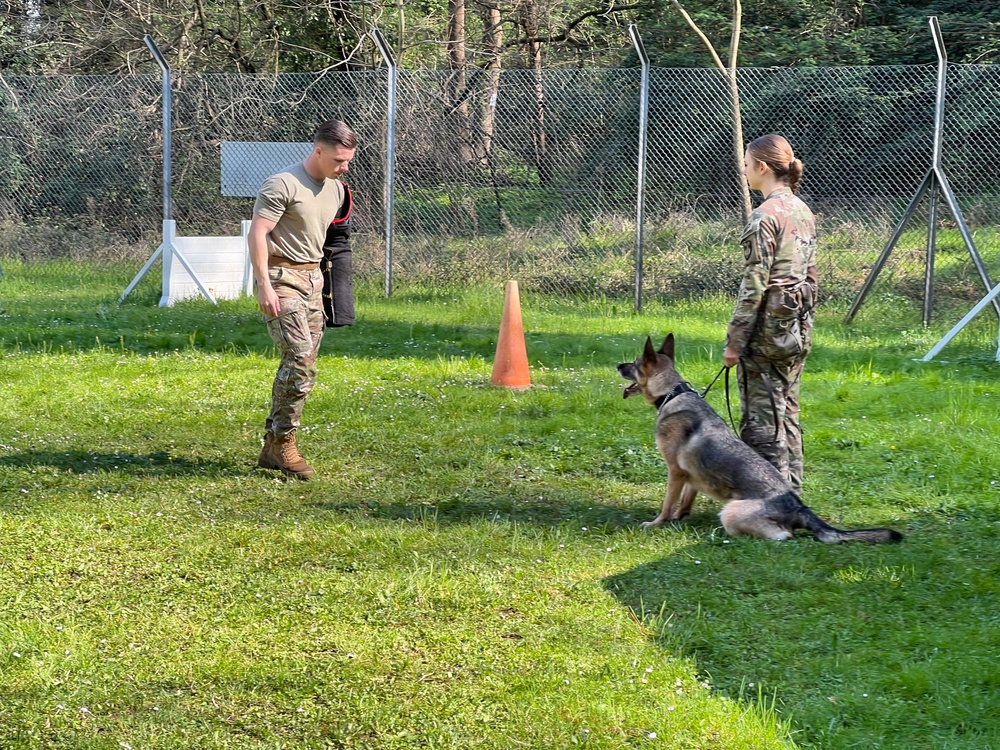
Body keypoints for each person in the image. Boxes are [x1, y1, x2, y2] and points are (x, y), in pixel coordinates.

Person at [249, 120, 358, 479]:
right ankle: (283, 445)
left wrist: (340, 299)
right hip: (282, 279)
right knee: (300, 363)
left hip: (314, 281)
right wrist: (263, 284)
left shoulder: (338, 190)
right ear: (318, 150)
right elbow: (258, 233)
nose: (343, 168)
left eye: (348, 161)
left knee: (300, 365)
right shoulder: (283, 183)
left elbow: (337, 244)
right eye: (338, 160)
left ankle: (272, 445)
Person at [723, 134, 817, 493]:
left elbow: (754, 286)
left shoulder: (764, 216)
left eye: (747, 165)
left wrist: (735, 341)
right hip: (796, 329)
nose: (745, 171)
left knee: (762, 419)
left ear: (762, 168)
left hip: (766, 336)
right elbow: (810, 274)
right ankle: (791, 491)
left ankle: (770, 500)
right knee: (787, 410)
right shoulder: (801, 210)